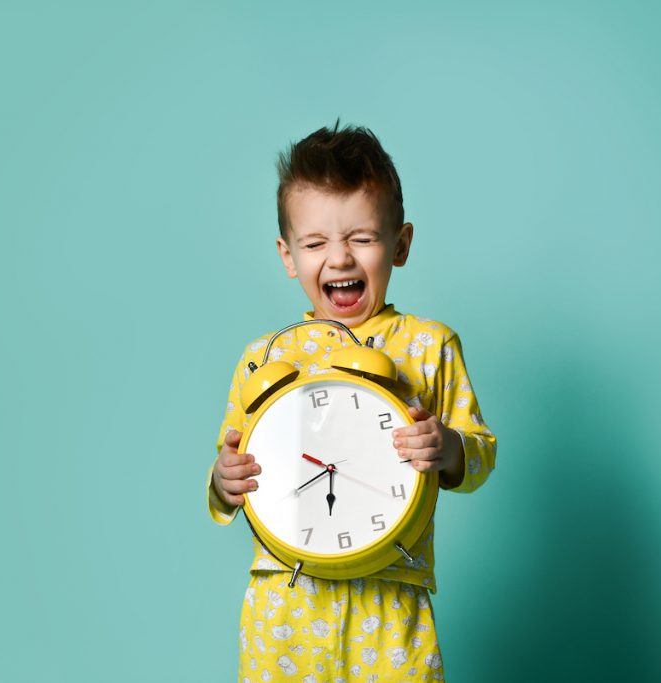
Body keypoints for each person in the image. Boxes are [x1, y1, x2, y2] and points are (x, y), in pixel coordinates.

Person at [208, 122, 497, 681]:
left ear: (401, 244)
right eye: (315, 243)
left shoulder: (428, 345)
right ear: (288, 255)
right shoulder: (263, 356)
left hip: (390, 594)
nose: (339, 259)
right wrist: (224, 482)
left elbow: (481, 454)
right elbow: (226, 477)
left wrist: (449, 447)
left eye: (361, 238)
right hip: (285, 601)